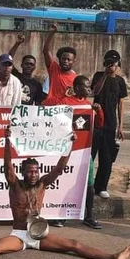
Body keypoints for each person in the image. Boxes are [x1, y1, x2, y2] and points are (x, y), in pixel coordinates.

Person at [0, 127, 130, 259]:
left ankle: (113, 257)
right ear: (23, 172)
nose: (33, 174)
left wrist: (69, 145)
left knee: (74, 245)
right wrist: (7, 141)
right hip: (19, 234)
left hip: (39, 234)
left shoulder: (42, 184)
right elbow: (7, 166)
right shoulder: (15, 184)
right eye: (29, 171)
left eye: (35, 171)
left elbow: (60, 168)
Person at [43, 75, 105, 229]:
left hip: (84, 150)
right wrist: (64, 95)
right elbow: (47, 106)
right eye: (86, 85)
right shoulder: (65, 102)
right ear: (77, 88)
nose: (89, 88)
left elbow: (99, 124)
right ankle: (61, 215)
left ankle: (89, 216)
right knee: (65, 181)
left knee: (88, 183)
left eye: (90, 86)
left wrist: (99, 110)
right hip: (67, 151)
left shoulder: (87, 105)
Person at [90, 50, 127, 199]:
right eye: (108, 63)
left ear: (118, 64)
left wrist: (121, 126)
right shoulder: (99, 76)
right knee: (90, 156)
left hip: (111, 124)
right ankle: (88, 185)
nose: (111, 66)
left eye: (114, 63)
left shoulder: (120, 81)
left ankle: (102, 186)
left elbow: (121, 103)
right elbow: (94, 91)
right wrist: (105, 74)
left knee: (107, 158)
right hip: (96, 123)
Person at [42, 23, 76, 103]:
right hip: (51, 108)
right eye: (63, 59)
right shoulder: (54, 69)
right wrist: (51, 34)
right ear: (59, 59)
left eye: (69, 59)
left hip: (65, 110)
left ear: (73, 61)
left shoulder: (75, 79)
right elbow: (45, 51)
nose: (66, 61)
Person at [8, 34, 44, 105]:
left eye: (31, 64)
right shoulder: (16, 76)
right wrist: (17, 43)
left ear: (34, 67)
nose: (29, 66)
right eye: (26, 64)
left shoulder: (37, 85)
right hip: (12, 110)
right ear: (21, 65)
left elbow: (38, 103)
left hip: (27, 114)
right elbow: (9, 58)